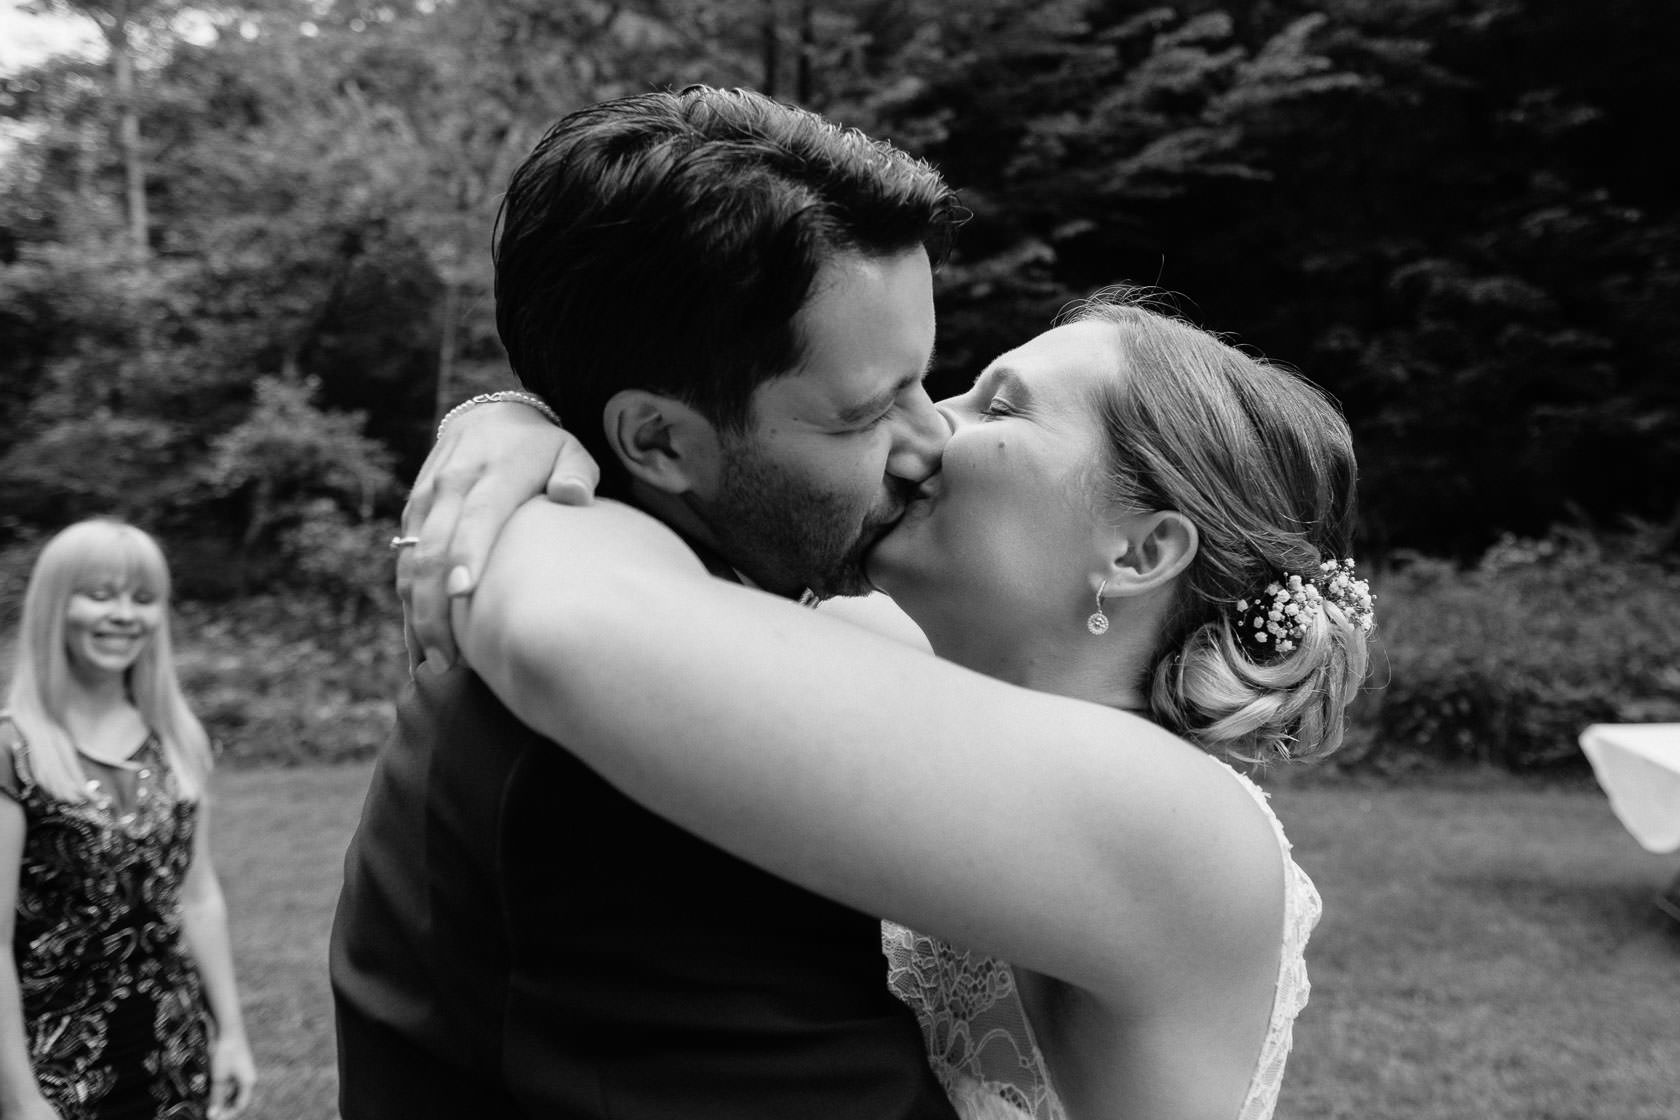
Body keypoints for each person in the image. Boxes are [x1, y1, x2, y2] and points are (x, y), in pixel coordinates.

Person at [397, 289, 1373, 1119]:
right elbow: (675, 511)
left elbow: (568, 632)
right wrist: (516, 411)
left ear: (1139, 553)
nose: (932, 423)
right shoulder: (926, 661)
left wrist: (505, 464)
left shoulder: (1181, 826)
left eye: (1000, 403)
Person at [329, 85, 967, 1118]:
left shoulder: (712, 612)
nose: (934, 443)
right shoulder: (634, 751)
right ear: (660, 441)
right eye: (863, 415)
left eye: (922, 380)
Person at [0, 519, 256, 1120]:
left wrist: (232, 1034)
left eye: (143, 599)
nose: (123, 615)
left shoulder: (177, 737)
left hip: (172, 1050)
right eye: (99, 594)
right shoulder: (13, 753)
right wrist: (18, 1100)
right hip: (52, 1064)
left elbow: (197, 899)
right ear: (55, 606)